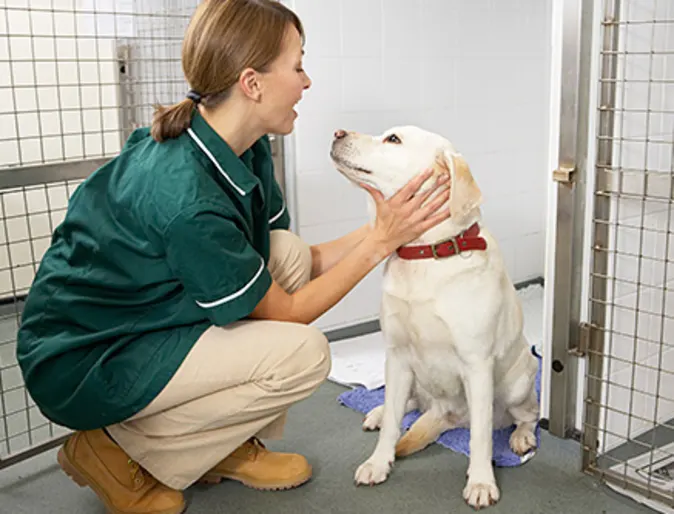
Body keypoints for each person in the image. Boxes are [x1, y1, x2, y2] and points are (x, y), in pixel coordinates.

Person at [15, 1, 451, 513]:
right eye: (298, 65)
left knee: (282, 253)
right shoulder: (188, 196)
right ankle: (110, 451)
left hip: (143, 315)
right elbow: (289, 314)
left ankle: (223, 444)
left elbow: (299, 263)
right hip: (86, 357)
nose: (306, 82)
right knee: (303, 353)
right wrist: (380, 243)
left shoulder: (241, 143)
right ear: (252, 83)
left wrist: (385, 226)